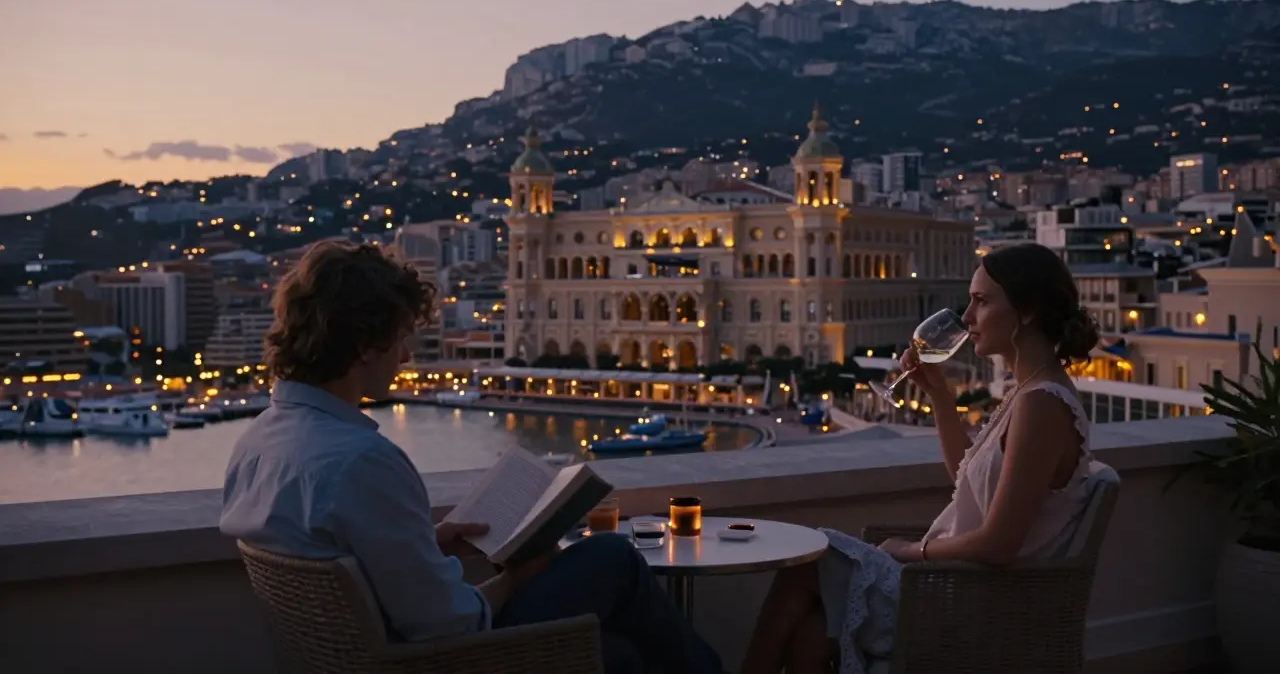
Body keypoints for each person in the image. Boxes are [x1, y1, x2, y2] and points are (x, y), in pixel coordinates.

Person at [220, 240, 722, 674]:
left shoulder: (259, 442)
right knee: (611, 556)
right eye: (401, 339)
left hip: (360, 656)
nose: (408, 358)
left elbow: (339, 549)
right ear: (363, 344)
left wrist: (430, 544)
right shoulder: (361, 461)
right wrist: (516, 578)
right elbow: (449, 623)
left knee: (620, 656)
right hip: (438, 663)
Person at [742, 242, 1102, 674]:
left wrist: (911, 550)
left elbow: (999, 542)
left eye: (981, 302)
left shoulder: (1041, 404)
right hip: (958, 585)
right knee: (811, 635)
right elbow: (968, 481)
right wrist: (939, 397)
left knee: (807, 560)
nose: (967, 318)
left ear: (1028, 311)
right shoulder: (1027, 394)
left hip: (967, 597)